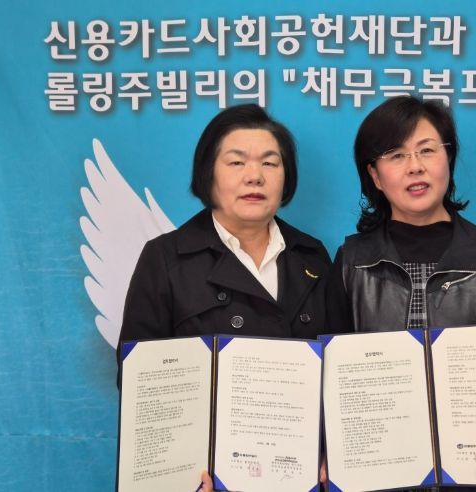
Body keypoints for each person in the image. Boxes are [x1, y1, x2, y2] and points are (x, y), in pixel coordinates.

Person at [326, 96, 476, 492]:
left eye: (427, 150)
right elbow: (330, 371)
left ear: (448, 159)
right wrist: (325, 450)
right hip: (380, 470)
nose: (415, 166)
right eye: (396, 155)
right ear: (375, 176)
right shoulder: (352, 260)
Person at [117, 104, 331, 492]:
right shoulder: (165, 258)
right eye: (236, 162)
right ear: (208, 174)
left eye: (270, 163)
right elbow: (141, 384)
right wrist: (179, 473)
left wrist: (332, 454)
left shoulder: (313, 256)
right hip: (205, 480)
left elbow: (337, 376)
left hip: (299, 477)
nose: (255, 176)